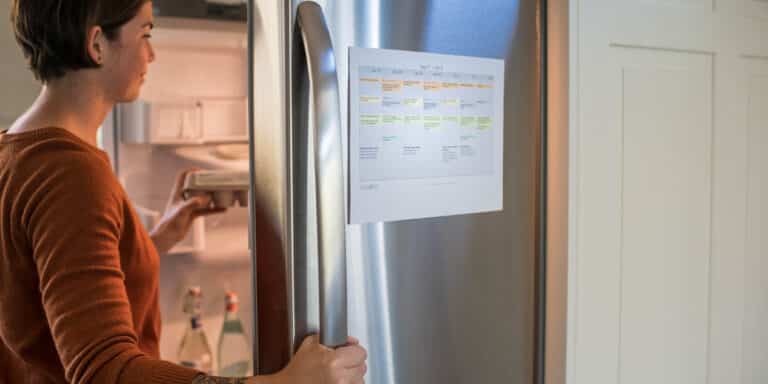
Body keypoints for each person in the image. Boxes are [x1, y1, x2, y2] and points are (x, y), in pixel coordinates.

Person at [0, 1, 367, 383]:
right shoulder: (70, 173)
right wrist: (284, 383)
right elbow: (104, 372)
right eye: (145, 34)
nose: (152, 54)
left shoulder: (15, 149)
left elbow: (51, 289)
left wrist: (159, 239)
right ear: (97, 45)